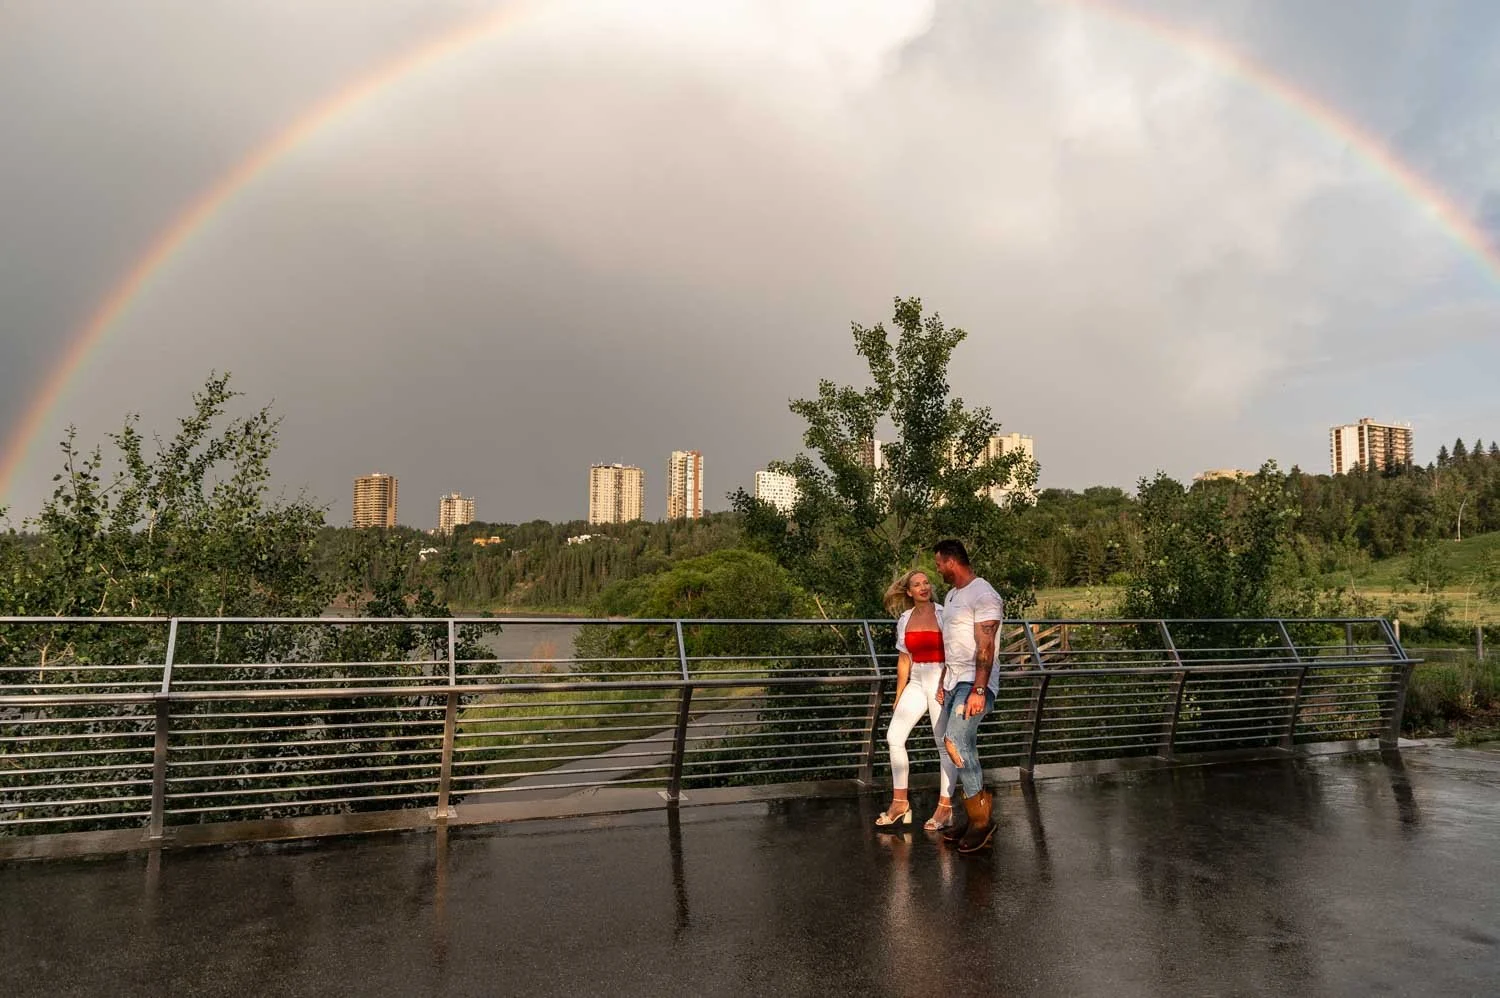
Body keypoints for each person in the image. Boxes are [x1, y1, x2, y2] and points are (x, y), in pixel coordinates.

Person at [932, 538, 1003, 854]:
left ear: (950, 561)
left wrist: (978, 688)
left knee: (955, 741)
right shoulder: (951, 595)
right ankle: (977, 815)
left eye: (938, 564)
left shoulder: (983, 594)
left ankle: (982, 822)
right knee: (962, 747)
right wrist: (943, 681)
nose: (937, 570)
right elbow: (953, 643)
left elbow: (985, 645)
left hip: (974, 681)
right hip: (953, 681)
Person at [875, 569, 958, 830]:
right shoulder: (905, 618)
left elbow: (955, 652)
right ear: (909, 592)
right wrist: (899, 694)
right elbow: (904, 659)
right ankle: (900, 802)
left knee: (943, 743)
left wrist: (946, 682)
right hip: (917, 679)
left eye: (926, 582)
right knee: (894, 737)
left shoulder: (945, 614)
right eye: (917, 584)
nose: (923, 587)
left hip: (939, 678)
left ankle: (945, 808)